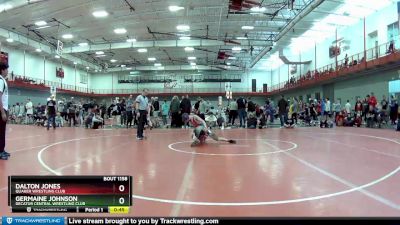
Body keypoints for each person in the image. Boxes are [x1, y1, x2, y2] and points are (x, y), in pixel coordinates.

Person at [0, 63, 10, 160]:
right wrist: (2, 112)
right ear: (2, 70)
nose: (7, 71)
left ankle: (2, 149)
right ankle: (0, 151)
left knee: (2, 131)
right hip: (1, 110)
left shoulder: (3, 80)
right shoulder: (1, 81)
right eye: (6, 69)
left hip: (4, 109)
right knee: (1, 132)